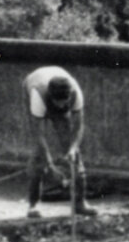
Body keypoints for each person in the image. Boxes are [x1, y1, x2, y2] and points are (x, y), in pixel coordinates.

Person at [24, 66, 90, 217]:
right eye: (57, 103)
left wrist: (73, 148)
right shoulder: (38, 95)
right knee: (38, 155)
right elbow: (38, 134)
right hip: (33, 83)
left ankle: (80, 203)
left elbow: (79, 125)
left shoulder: (75, 93)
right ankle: (33, 205)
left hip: (55, 90)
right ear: (51, 98)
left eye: (64, 103)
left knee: (74, 155)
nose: (61, 106)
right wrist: (49, 163)